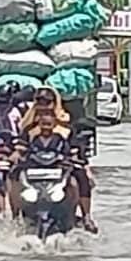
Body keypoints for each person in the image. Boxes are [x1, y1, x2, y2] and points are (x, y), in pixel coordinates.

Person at [17, 86, 97, 232]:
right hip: (34, 170)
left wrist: (83, 166)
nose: (43, 106)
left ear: (55, 104)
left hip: (61, 169)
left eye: (47, 102)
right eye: (39, 101)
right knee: (13, 175)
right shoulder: (28, 128)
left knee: (79, 178)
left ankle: (86, 216)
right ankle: (16, 216)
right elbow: (19, 150)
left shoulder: (66, 128)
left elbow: (76, 152)